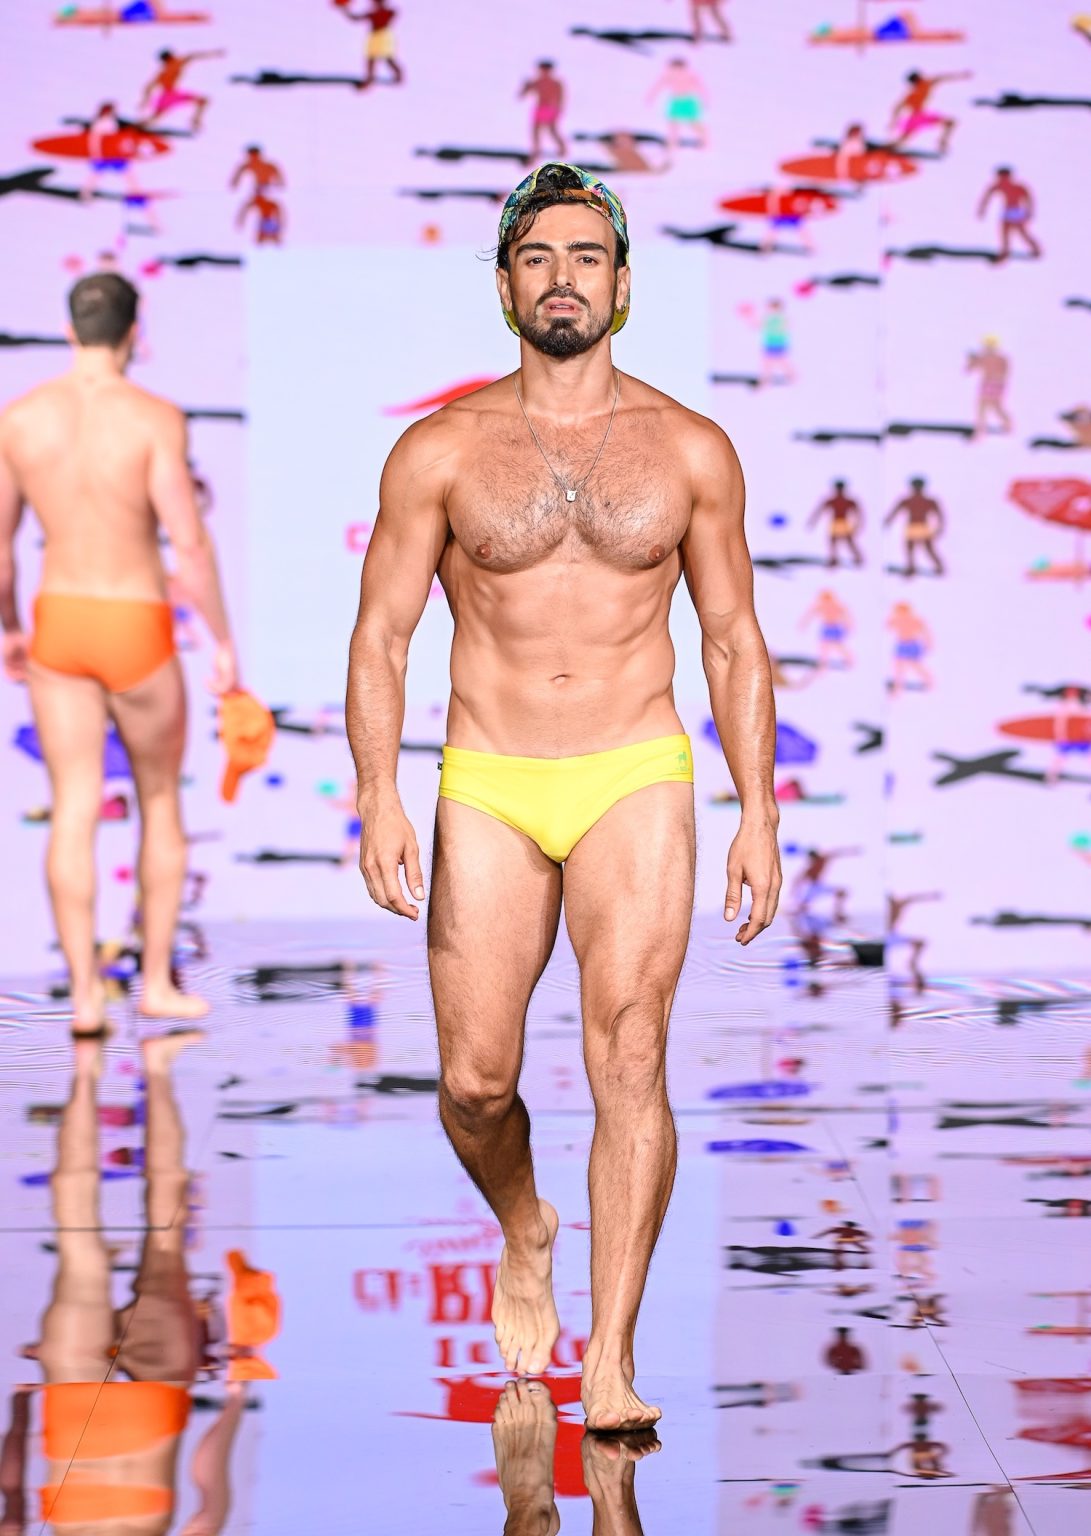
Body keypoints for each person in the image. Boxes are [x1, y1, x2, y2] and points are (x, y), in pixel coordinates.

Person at [346, 162, 781, 1432]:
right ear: (503, 287)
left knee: (628, 1056)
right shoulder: (439, 448)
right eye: (538, 258)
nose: (562, 278)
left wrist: (757, 807)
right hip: (487, 777)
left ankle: (609, 1359)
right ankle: (523, 1222)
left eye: (585, 257)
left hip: (633, 770)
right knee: (475, 1085)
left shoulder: (691, 447)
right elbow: (380, 636)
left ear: (623, 285)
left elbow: (732, 640)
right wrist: (376, 791)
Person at [0, 273, 238, 1033]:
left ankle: (80, 997)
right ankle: (156, 987)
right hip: (134, 619)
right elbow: (189, 547)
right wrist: (224, 644)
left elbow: (2, 554)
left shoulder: (22, 419)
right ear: (134, 334)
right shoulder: (155, 419)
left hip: (60, 621)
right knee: (159, 800)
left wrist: (9, 626)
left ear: (70, 331)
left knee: (73, 807)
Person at [139, 48, 223, 132]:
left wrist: (145, 100)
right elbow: (193, 56)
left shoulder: (163, 71)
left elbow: (148, 86)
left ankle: (140, 125)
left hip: (165, 95)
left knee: (156, 117)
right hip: (172, 94)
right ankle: (195, 120)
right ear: (170, 57)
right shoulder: (176, 62)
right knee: (203, 101)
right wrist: (214, 53)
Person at [887, 70, 969, 154]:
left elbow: (897, 107)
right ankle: (942, 141)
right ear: (918, 79)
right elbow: (941, 77)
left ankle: (888, 147)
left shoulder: (915, 91)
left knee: (903, 140)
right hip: (920, 116)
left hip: (915, 118)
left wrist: (893, 121)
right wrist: (961, 75)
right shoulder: (923, 86)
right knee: (951, 123)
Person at [976, 167, 1042, 263]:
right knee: (1005, 232)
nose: (1001, 179)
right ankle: (1005, 252)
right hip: (1008, 212)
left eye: (1002, 176)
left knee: (1020, 232)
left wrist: (1029, 211)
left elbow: (1028, 198)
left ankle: (1035, 249)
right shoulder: (999, 186)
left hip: (1015, 211)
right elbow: (987, 196)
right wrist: (982, 210)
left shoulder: (1018, 186)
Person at [883, 477, 945, 576]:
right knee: (914, 548)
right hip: (916, 527)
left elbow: (940, 515)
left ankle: (936, 566)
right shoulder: (910, 500)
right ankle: (914, 566)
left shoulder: (924, 501)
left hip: (919, 526)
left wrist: (888, 520)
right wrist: (888, 520)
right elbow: (895, 511)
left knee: (924, 548)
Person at [807, 478, 864, 567]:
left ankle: (858, 558)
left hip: (843, 522)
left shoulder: (848, 501)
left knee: (849, 541)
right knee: (833, 542)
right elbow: (819, 511)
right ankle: (834, 559)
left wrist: (859, 524)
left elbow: (858, 512)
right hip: (835, 523)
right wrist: (812, 521)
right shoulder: (832, 500)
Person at [966, 336, 1012, 437]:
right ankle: (1008, 426)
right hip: (998, 385)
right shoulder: (1001, 358)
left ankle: (980, 430)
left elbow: (969, 369)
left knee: (984, 407)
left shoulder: (986, 358)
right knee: (996, 407)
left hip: (990, 384)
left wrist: (972, 360)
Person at [520, 61, 566, 161]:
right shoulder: (536, 82)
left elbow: (561, 98)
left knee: (552, 130)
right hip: (540, 108)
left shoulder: (556, 83)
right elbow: (522, 95)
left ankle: (563, 150)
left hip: (550, 108)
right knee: (535, 131)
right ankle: (536, 151)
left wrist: (558, 110)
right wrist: (525, 86)